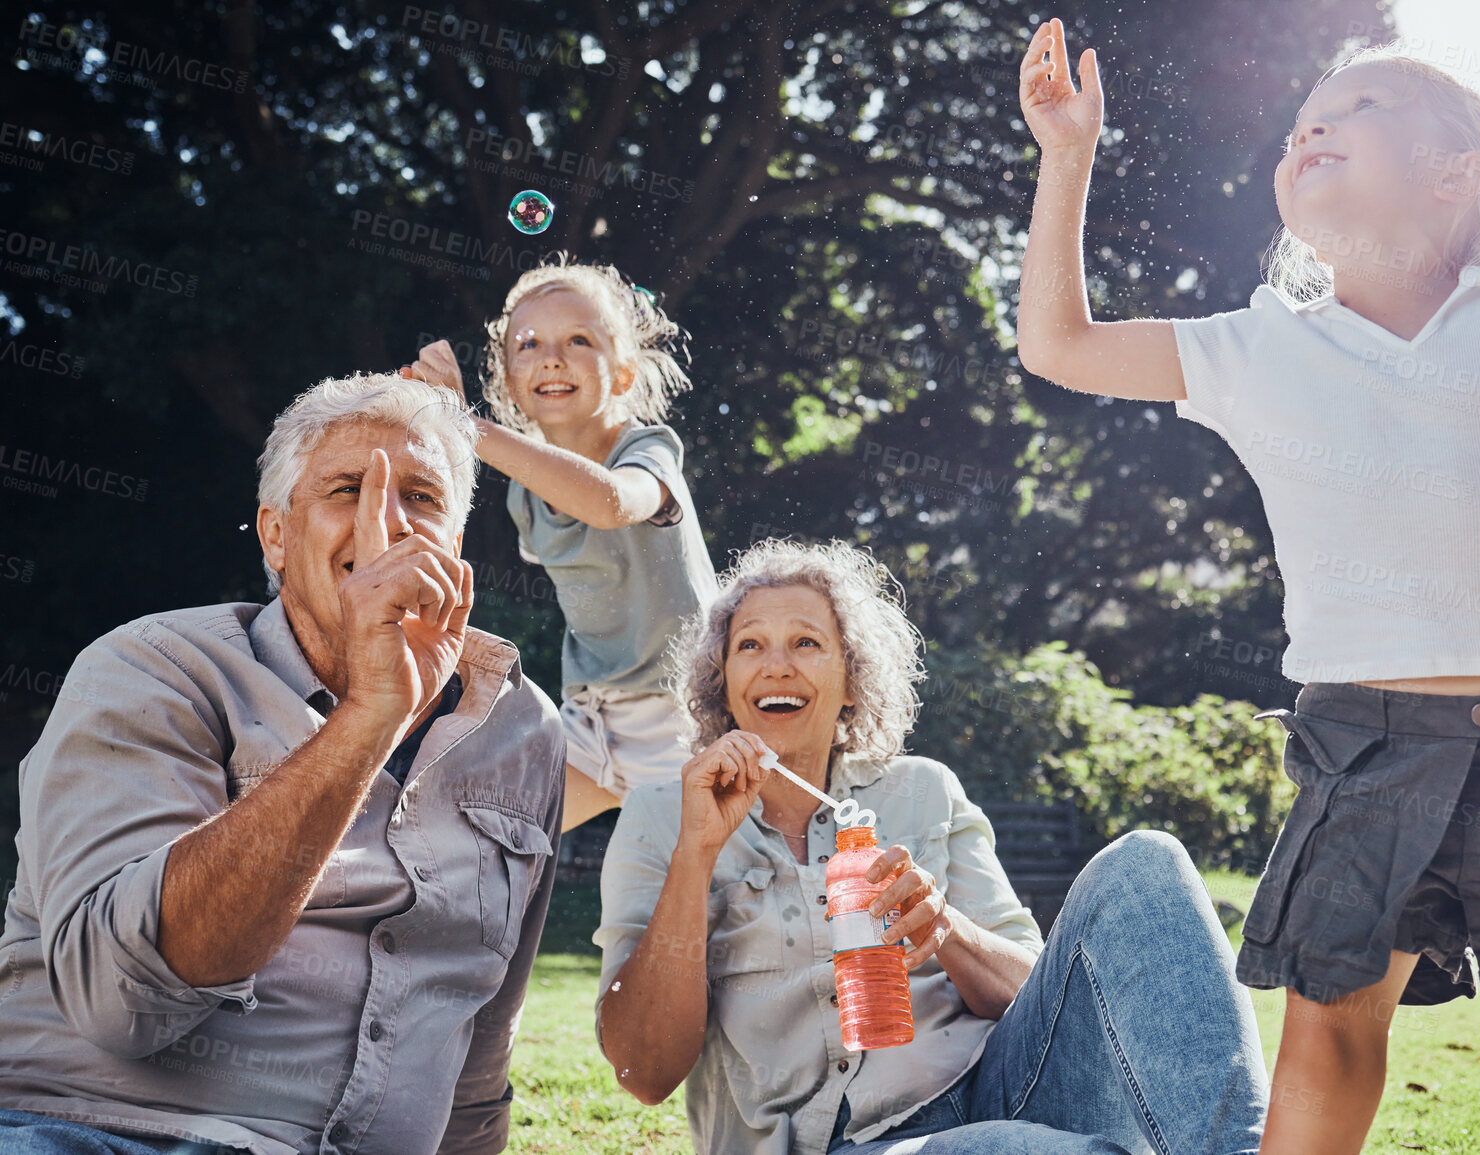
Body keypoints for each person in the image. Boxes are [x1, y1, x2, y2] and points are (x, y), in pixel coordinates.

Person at [1015, 20, 1480, 1155]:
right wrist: (1068, 158)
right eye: (1303, 125)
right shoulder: (1254, 347)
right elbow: (1058, 344)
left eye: (1363, 108)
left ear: (1460, 175)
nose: (1315, 127)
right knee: (1328, 1050)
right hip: (1366, 746)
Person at [0, 373, 566, 1154]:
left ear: (456, 545)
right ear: (275, 534)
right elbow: (119, 1001)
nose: (387, 521)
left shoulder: (523, 728)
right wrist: (373, 714)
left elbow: (479, 1031)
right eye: (347, 488)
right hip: (90, 1130)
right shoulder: (155, 668)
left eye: (423, 497)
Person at [594, 539, 1269, 1155]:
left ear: (852, 680)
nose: (776, 664)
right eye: (749, 645)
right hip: (839, 1144)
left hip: (997, 1086)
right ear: (721, 680)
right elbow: (642, 1070)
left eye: (805, 642)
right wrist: (696, 855)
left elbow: (1032, 998)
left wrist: (945, 926)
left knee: (1145, 861)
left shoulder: (924, 791)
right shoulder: (663, 813)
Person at [403, 257, 717, 833]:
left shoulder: (648, 451)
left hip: (687, 721)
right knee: (468, 838)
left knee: (708, 896)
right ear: (508, 380)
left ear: (622, 375)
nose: (552, 356)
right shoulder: (525, 494)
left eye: (579, 339)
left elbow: (609, 504)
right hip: (591, 725)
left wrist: (466, 425)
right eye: (529, 344)